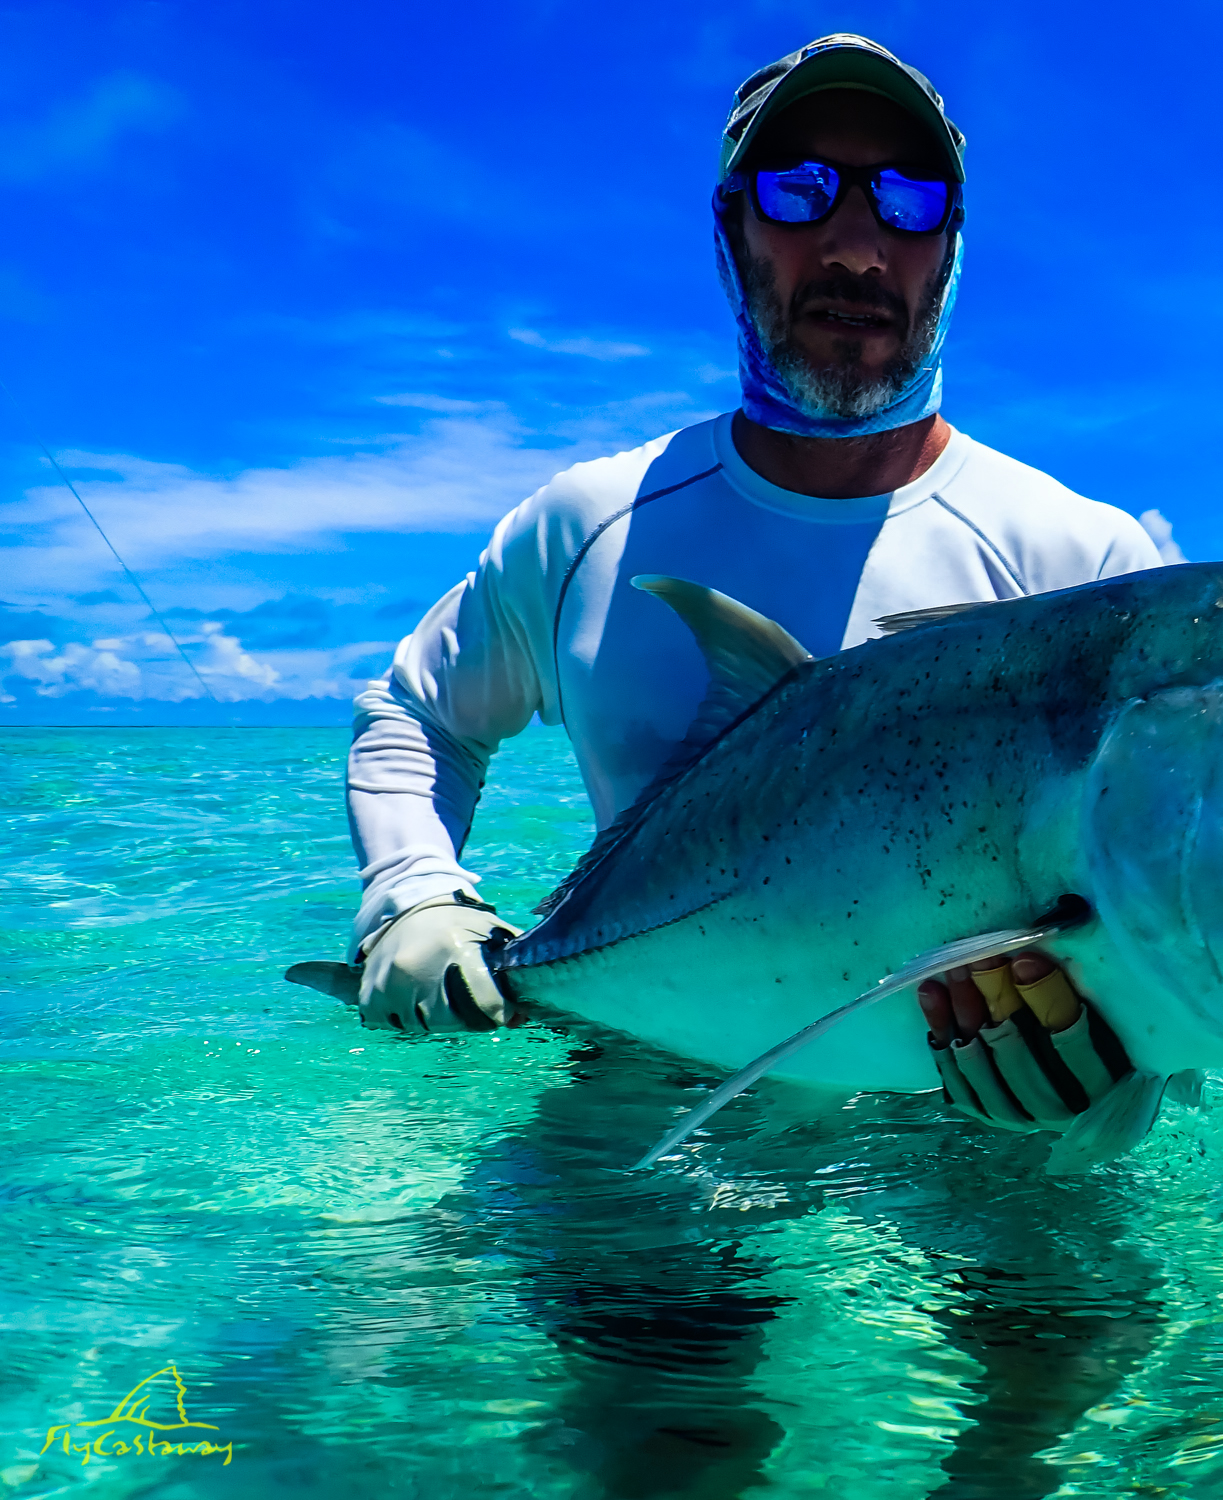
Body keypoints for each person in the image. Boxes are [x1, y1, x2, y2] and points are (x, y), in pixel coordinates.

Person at [342, 34, 1161, 1132]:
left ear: (951, 248)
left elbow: (1181, 956)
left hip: (978, 1157)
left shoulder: (1086, 569)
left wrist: (1110, 1096)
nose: (857, 247)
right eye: (799, 189)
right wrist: (413, 897)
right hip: (643, 1118)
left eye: (909, 200)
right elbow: (417, 716)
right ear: (731, 228)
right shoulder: (589, 528)